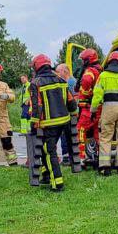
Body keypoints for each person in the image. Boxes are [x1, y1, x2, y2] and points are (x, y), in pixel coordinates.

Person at [28, 54, 76, 192]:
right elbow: (71, 101)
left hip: (48, 124)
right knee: (45, 148)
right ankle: (46, 175)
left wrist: (34, 124)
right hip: (64, 122)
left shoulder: (35, 83)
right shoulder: (60, 80)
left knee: (49, 151)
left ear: (37, 67)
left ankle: (57, 183)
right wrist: (74, 114)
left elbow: (36, 106)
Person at [73, 48, 102, 163]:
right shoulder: (100, 70)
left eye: (84, 60)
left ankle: (81, 157)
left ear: (88, 60)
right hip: (98, 107)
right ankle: (99, 155)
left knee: (80, 130)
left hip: (88, 107)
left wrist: (84, 93)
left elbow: (86, 81)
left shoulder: (90, 71)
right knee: (96, 132)